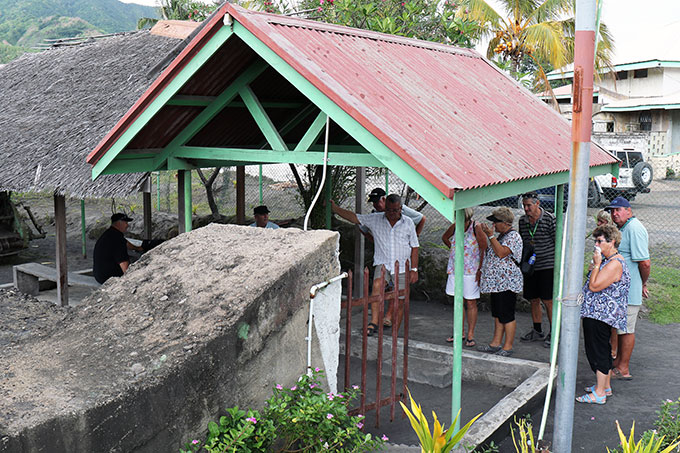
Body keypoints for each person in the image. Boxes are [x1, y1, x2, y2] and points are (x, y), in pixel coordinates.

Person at [331, 194, 419, 335]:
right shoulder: (375, 219)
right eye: (389, 210)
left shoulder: (408, 223)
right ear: (385, 209)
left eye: (395, 210)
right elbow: (355, 217)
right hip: (383, 264)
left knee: (400, 300)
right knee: (377, 288)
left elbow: (415, 246)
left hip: (402, 266)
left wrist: (414, 269)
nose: (392, 213)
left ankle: (395, 330)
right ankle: (374, 323)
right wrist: (335, 208)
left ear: (401, 209)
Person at [576, 225, 630, 404]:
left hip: (601, 315)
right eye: (595, 241)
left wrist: (597, 264)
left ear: (612, 241)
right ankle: (604, 387)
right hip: (597, 314)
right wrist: (596, 265)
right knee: (602, 349)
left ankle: (599, 393)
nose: (596, 245)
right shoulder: (610, 260)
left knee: (597, 350)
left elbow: (594, 286)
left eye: (600, 241)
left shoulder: (614, 263)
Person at [608, 197, 650, 380]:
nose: (614, 214)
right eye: (612, 211)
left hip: (630, 289)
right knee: (621, 328)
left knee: (627, 329)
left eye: (618, 210)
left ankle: (623, 368)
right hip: (622, 289)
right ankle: (618, 364)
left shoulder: (634, 228)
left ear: (629, 211)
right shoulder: (624, 228)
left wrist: (643, 283)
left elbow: (645, 262)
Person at [477, 207, 523, 357]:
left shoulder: (513, 236)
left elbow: (502, 253)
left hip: (507, 282)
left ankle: (508, 346)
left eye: (495, 222)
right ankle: (495, 343)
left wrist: (491, 236)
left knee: (507, 315)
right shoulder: (502, 235)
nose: (493, 225)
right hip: (497, 283)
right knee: (497, 314)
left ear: (504, 222)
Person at [441, 207, 487, 346]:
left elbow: (483, 247)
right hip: (456, 269)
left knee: (471, 302)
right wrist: (454, 250)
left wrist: (480, 269)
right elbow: (444, 237)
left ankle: (470, 334)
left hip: (471, 270)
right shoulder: (455, 226)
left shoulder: (476, 227)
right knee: (458, 301)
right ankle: (459, 332)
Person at [518, 192, 556, 348]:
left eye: (529, 205)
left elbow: (557, 241)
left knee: (548, 300)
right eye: (524, 205)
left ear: (537, 203)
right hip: (530, 266)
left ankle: (554, 332)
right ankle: (537, 329)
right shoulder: (522, 221)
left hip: (547, 265)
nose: (526, 209)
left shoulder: (549, 219)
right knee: (533, 299)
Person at [93, 213, 143, 284]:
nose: (127, 225)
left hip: (99, 274)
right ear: (119, 223)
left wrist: (137, 248)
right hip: (109, 278)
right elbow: (123, 262)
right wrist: (130, 280)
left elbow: (126, 243)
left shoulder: (110, 233)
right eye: (125, 222)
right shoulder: (117, 240)